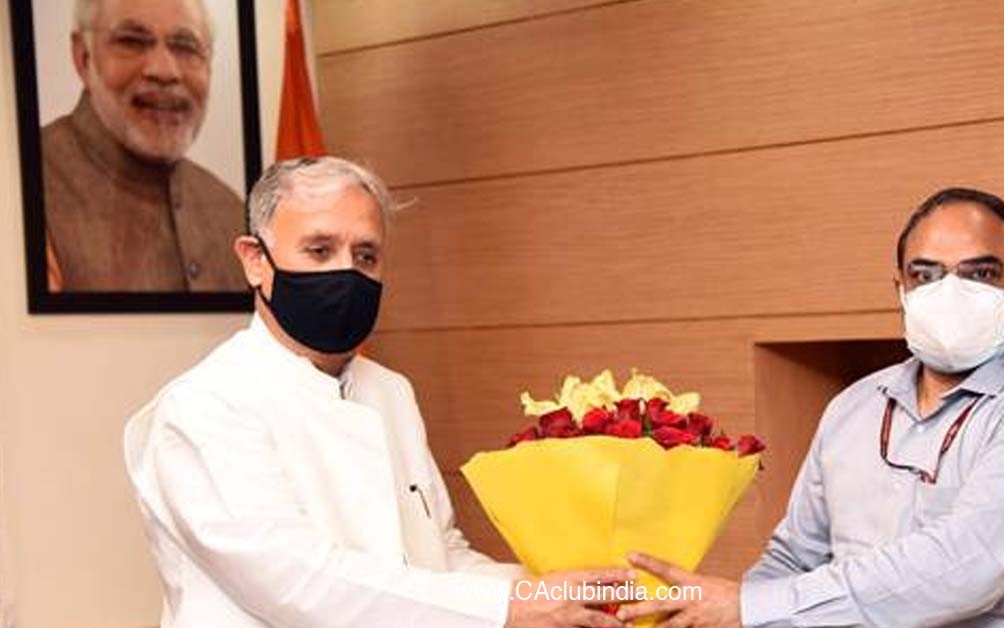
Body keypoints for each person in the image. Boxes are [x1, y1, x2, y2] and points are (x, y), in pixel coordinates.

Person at [124, 157, 631, 628]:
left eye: (365, 255)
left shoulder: (389, 391)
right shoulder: (205, 405)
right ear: (255, 260)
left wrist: (568, 591)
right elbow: (299, 582)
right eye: (319, 250)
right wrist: (508, 608)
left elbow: (438, 553)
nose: (346, 272)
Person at [619, 188, 1004, 627]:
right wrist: (720, 612)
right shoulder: (853, 407)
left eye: (979, 273)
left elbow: (966, 567)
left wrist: (750, 609)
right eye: (925, 274)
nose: (948, 292)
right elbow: (794, 559)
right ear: (900, 290)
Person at [39, 0, 244, 292]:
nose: (164, 71)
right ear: (83, 57)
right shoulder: (20, 190)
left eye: (186, 47)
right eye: (132, 42)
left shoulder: (231, 212)